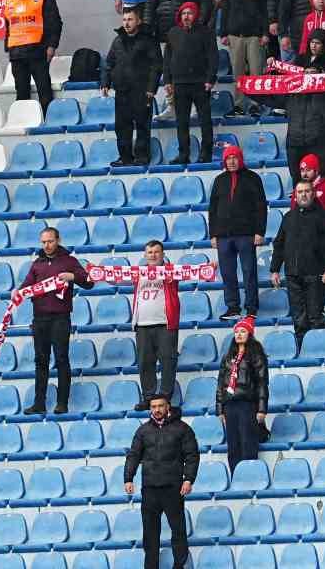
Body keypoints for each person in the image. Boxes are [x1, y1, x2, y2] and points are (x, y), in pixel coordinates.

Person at [123, 392, 198, 569]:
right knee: (150, 536)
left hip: (173, 489)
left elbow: (192, 456)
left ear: (167, 407)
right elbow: (133, 455)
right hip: (149, 490)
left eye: (160, 406)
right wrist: (128, 478)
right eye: (153, 407)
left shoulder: (182, 429)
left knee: (178, 532)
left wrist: (188, 480)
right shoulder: (143, 430)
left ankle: (179, 566)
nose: (157, 410)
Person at [22, 226, 92, 414]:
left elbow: (89, 282)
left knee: (61, 359)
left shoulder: (69, 261)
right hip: (39, 319)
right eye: (44, 242)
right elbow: (27, 285)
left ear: (58, 240)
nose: (47, 245)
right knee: (40, 361)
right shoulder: (37, 263)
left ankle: (62, 403)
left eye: (50, 241)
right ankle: (39, 403)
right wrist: (17, 292)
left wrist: (73, 276)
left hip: (60, 318)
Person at [269, 181, 325, 344]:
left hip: (315, 275)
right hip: (293, 275)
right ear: (295, 195)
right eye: (300, 192)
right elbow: (279, 244)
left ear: (313, 194)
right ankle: (303, 350)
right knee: (298, 319)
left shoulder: (323, 216)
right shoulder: (288, 217)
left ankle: (319, 351)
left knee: (315, 317)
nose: (303, 195)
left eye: (307, 191)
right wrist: (275, 270)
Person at [209, 145, 265, 320]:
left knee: (249, 271)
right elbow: (213, 209)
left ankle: (251, 308)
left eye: (234, 158)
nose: (231, 161)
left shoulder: (253, 178)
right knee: (227, 272)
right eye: (228, 158)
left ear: (240, 159)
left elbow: (261, 207)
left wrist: (259, 231)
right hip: (223, 235)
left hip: (246, 234)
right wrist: (213, 234)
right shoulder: (219, 180)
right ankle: (232, 307)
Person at [101, 5, 160, 166]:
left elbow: (156, 66)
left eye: (130, 19)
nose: (126, 23)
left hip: (142, 92)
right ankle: (125, 157)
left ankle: (142, 157)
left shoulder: (148, 40)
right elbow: (109, 63)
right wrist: (105, 82)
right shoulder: (118, 40)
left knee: (142, 125)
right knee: (121, 127)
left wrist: (151, 88)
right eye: (124, 19)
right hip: (122, 91)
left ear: (138, 21)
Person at [163, 1, 216, 165]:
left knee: (205, 121)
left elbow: (213, 57)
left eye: (189, 13)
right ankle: (183, 154)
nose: (186, 16)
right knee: (181, 123)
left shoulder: (205, 32)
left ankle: (205, 154)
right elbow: (167, 59)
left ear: (195, 15)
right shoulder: (173, 33)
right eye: (184, 13)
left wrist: (210, 79)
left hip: (200, 83)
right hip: (179, 84)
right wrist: (167, 80)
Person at [3, 0, 61, 112]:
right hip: (17, 54)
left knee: (44, 91)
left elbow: (55, 23)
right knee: (21, 93)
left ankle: (50, 121)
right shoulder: (11, 0)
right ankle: (24, 122)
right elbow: (9, 25)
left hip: (38, 52)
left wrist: (51, 46)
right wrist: (8, 47)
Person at [130, 240, 180, 411]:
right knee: (145, 362)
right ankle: (149, 398)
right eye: (149, 252)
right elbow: (115, 278)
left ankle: (165, 398)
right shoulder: (137, 273)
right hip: (142, 323)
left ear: (163, 254)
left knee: (168, 360)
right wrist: (96, 271)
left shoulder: (171, 271)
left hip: (165, 323)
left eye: (156, 252)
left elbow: (191, 273)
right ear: (145, 255)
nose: (153, 255)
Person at [214, 315, 267, 469]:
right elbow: (220, 384)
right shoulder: (228, 357)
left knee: (247, 441)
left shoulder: (256, 355)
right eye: (237, 332)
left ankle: (249, 475)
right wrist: (220, 409)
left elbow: (262, 383)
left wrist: (262, 409)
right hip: (230, 405)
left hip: (247, 404)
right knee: (233, 444)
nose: (239, 334)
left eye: (243, 331)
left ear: (250, 334)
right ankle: (235, 476)